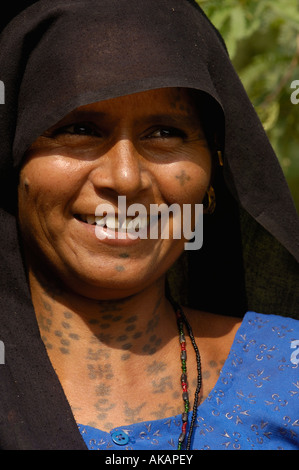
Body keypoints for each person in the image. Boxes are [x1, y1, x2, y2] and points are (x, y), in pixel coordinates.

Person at [0, 0, 298, 451]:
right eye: (79, 128)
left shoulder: (287, 374)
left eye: (164, 133)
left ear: (213, 173)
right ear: (13, 161)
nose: (124, 178)